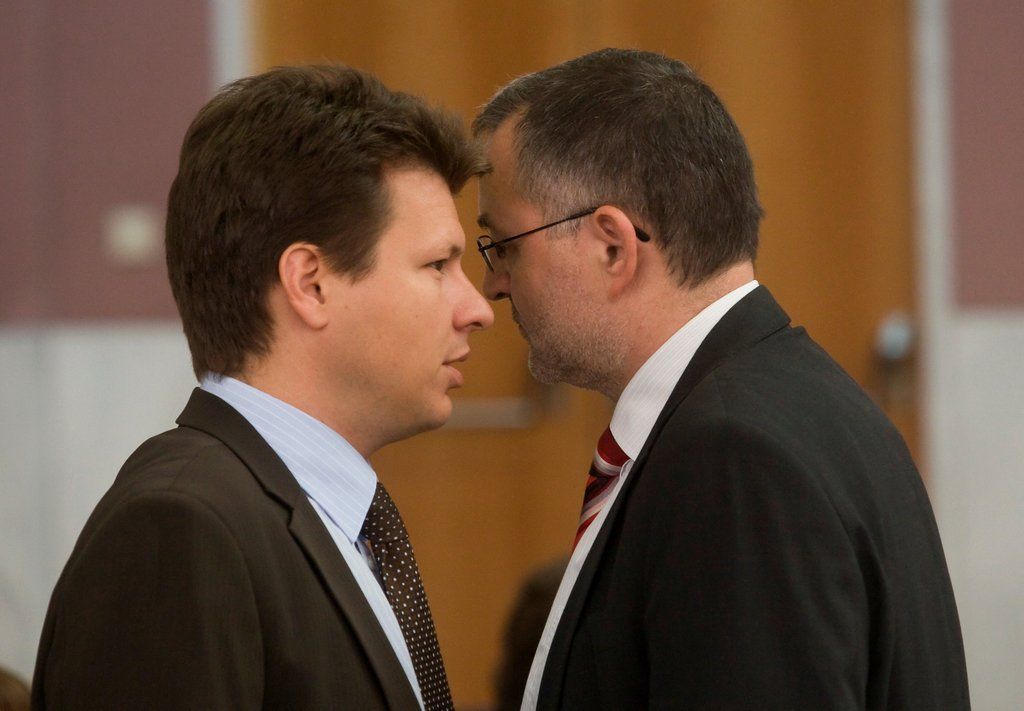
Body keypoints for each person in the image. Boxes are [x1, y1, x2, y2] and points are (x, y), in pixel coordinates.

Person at [473, 48, 969, 709]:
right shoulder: (797, 404)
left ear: (612, 247)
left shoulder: (734, 456)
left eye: (505, 246)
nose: (493, 286)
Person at [32, 64, 493, 710]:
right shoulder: (180, 529)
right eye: (438, 264)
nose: (477, 308)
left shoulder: (319, 516)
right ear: (310, 283)